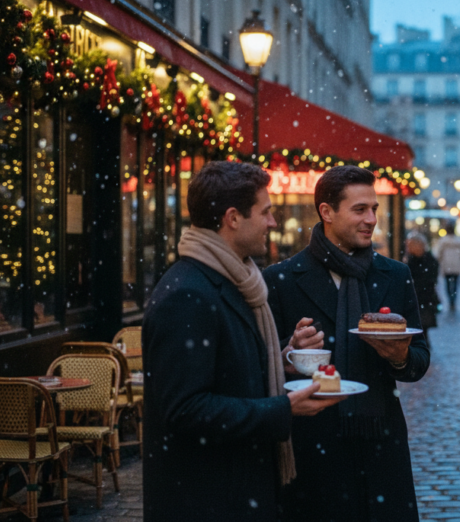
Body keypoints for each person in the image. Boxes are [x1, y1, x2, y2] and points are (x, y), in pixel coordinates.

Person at [142, 161, 341, 521]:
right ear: (233, 218)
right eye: (265, 212)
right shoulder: (188, 293)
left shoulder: (233, 280)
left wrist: (280, 358)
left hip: (235, 491)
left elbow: (224, 368)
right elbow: (186, 410)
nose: (273, 223)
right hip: (207, 499)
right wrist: (284, 407)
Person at [263, 165, 430, 521]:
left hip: (381, 439)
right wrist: (289, 351)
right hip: (313, 442)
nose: (371, 219)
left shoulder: (395, 275)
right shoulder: (281, 279)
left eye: (374, 209)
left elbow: (419, 360)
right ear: (326, 212)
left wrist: (400, 356)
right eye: (359, 210)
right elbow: (262, 370)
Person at [405, 232, 440, 343]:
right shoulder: (430, 259)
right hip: (426, 297)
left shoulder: (412, 262)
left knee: (420, 324)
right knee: (423, 325)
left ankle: (422, 346)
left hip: (420, 298)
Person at [434, 223, 460, 311]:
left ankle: (450, 299)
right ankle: (453, 300)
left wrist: (440, 261)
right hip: (456, 265)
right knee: (455, 284)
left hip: (446, 265)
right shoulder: (459, 240)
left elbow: (438, 253)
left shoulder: (443, 241)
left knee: (447, 284)